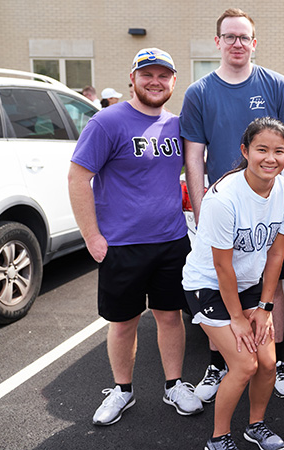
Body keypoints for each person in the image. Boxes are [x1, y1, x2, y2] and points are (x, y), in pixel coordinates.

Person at [68, 48, 203, 426]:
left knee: (170, 317)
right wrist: (92, 236)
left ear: (174, 82)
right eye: (148, 75)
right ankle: (122, 391)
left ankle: (174, 385)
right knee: (124, 322)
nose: (155, 82)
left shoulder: (177, 125)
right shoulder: (107, 122)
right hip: (121, 244)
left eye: (164, 76)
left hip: (171, 240)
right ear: (133, 78)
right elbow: (78, 178)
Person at [180, 7, 284, 402]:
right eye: (229, 37)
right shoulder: (199, 92)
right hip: (223, 210)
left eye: (244, 37)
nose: (237, 43)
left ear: (254, 42)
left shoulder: (276, 84)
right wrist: (201, 211)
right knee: (222, 280)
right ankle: (220, 363)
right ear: (217, 42)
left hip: (268, 207)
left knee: (273, 281)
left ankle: (276, 356)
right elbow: (194, 157)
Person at [183, 117, 284, 450]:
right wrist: (237, 318)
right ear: (245, 151)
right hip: (207, 284)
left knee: (267, 363)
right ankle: (218, 438)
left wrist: (264, 308)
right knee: (245, 363)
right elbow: (221, 266)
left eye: (279, 150)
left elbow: (277, 254)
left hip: (247, 282)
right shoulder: (223, 198)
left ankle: (255, 425)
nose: (270, 158)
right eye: (261, 149)